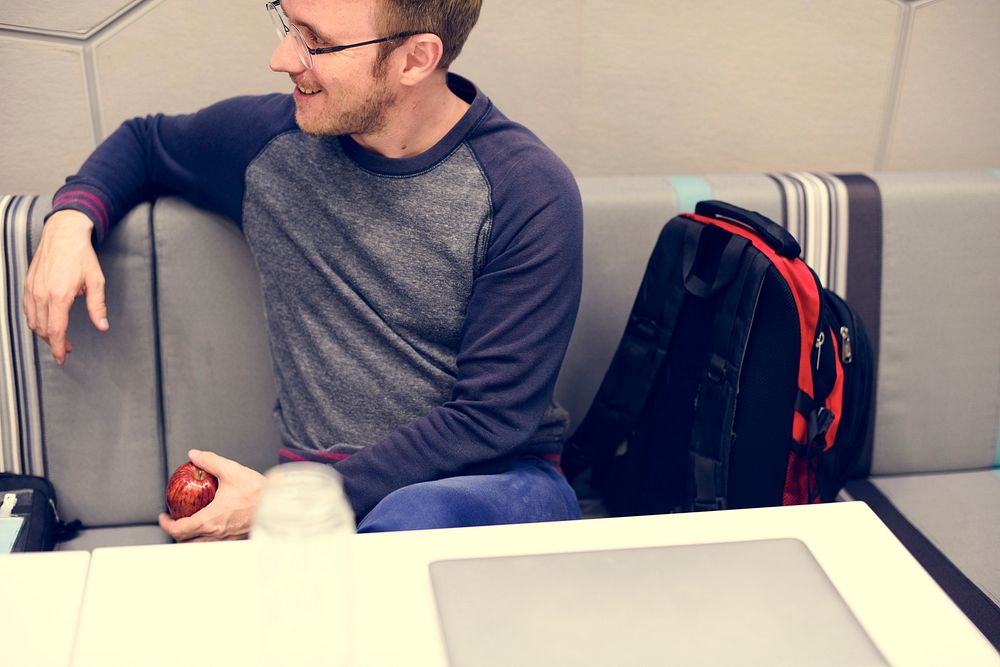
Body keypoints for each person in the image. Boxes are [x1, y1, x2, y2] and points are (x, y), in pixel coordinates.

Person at [22, 0, 583, 538]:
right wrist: (69, 222)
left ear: (416, 58)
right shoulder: (271, 146)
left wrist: (285, 500)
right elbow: (144, 142)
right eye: (288, 25)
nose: (283, 59)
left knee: (413, 519)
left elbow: (491, 419)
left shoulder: (525, 190)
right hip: (316, 505)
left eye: (319, 42)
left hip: (494, 487)